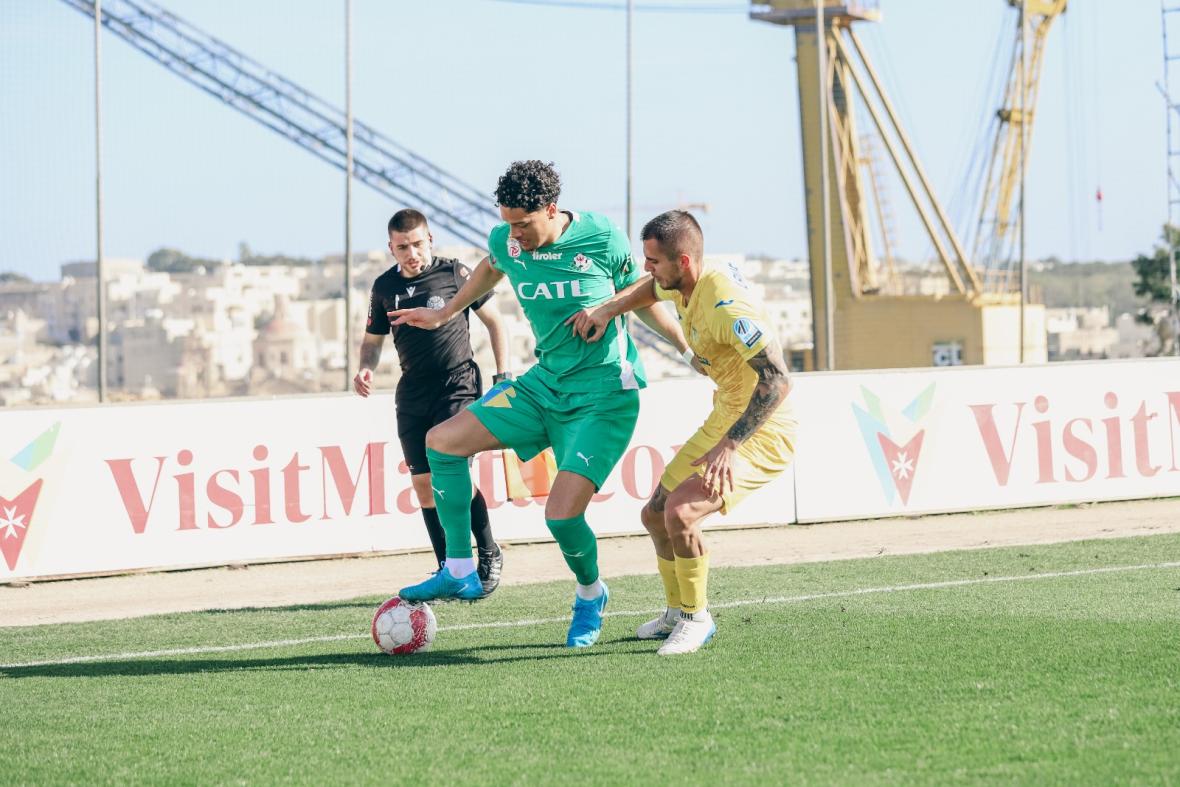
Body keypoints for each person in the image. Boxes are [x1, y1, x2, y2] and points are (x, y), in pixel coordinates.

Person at [390, 160, 689, 647]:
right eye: (508, 223)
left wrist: (682, 346)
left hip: (603, 397)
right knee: (441, 444)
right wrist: (446, 311)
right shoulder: (506, 240)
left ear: (551, 210)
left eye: (524, 224)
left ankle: (591, 594)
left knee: (561, 516)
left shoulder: (601, 237)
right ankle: (461, 568)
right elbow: (492, 266)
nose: (515, 234)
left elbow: (648, 289)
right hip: (543, 386)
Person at [569, 210, 796, 655]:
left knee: (682, 514)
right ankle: (677, 610)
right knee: (654, 514)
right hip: (725, 413)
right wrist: (607, 309)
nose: (647, 268)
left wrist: (730, 447)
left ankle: (697, 618)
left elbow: (779, 380)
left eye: (653, 260)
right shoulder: (683, 281)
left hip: (763, 428)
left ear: (685, 263)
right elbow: (648, 289)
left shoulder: (727, 304)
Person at [355, 208, 510, 598]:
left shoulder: (455, 274)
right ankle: (449, 567)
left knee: (453, 476)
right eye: (402, 247)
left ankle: (488, 551)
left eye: (418, 244)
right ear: (391, 248)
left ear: (430, 240)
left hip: (458, 383)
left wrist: (503, 375)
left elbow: (496, 322)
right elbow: (372, 342)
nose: (412, 253)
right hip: (412, 391)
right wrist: (365, 368)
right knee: (425, 487)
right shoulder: (383, 287)